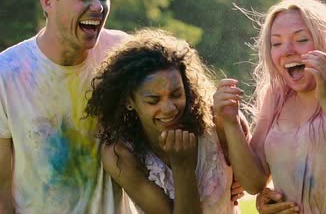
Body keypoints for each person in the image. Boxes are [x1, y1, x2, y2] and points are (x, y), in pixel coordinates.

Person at [0, 0, 129, 212]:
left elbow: (174, 111)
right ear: (48, 1)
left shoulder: (122, 56)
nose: (98, 7)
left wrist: (228, 167)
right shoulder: (0, 76)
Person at [215, 0, 326, 213]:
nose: (287, 51)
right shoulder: (276, 96)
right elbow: (254, 182)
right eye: (276, 43)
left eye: (301, 40)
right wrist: (230, 124)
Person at [85, 28, 249, 214]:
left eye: (176, 94)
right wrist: (182, 166)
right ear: (129, 102)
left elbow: (256, 178)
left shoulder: (217, 121)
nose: (169, 108)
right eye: (153, 100)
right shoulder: (121, 155)